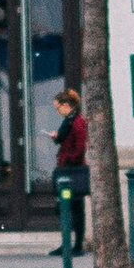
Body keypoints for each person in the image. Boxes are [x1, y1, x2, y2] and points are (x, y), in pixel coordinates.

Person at [50, 85, 88, 255]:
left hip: (72, 172)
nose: (58, 111)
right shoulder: (71, 120)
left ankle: (76, 245)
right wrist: (57, 138)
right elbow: (67, 140)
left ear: (66, 105)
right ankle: (69, 243)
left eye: (58, 108)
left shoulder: (77, 121)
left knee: (70, 207)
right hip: (68, 169)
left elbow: (79, 147)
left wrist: (68, 159)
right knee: (66, 206)